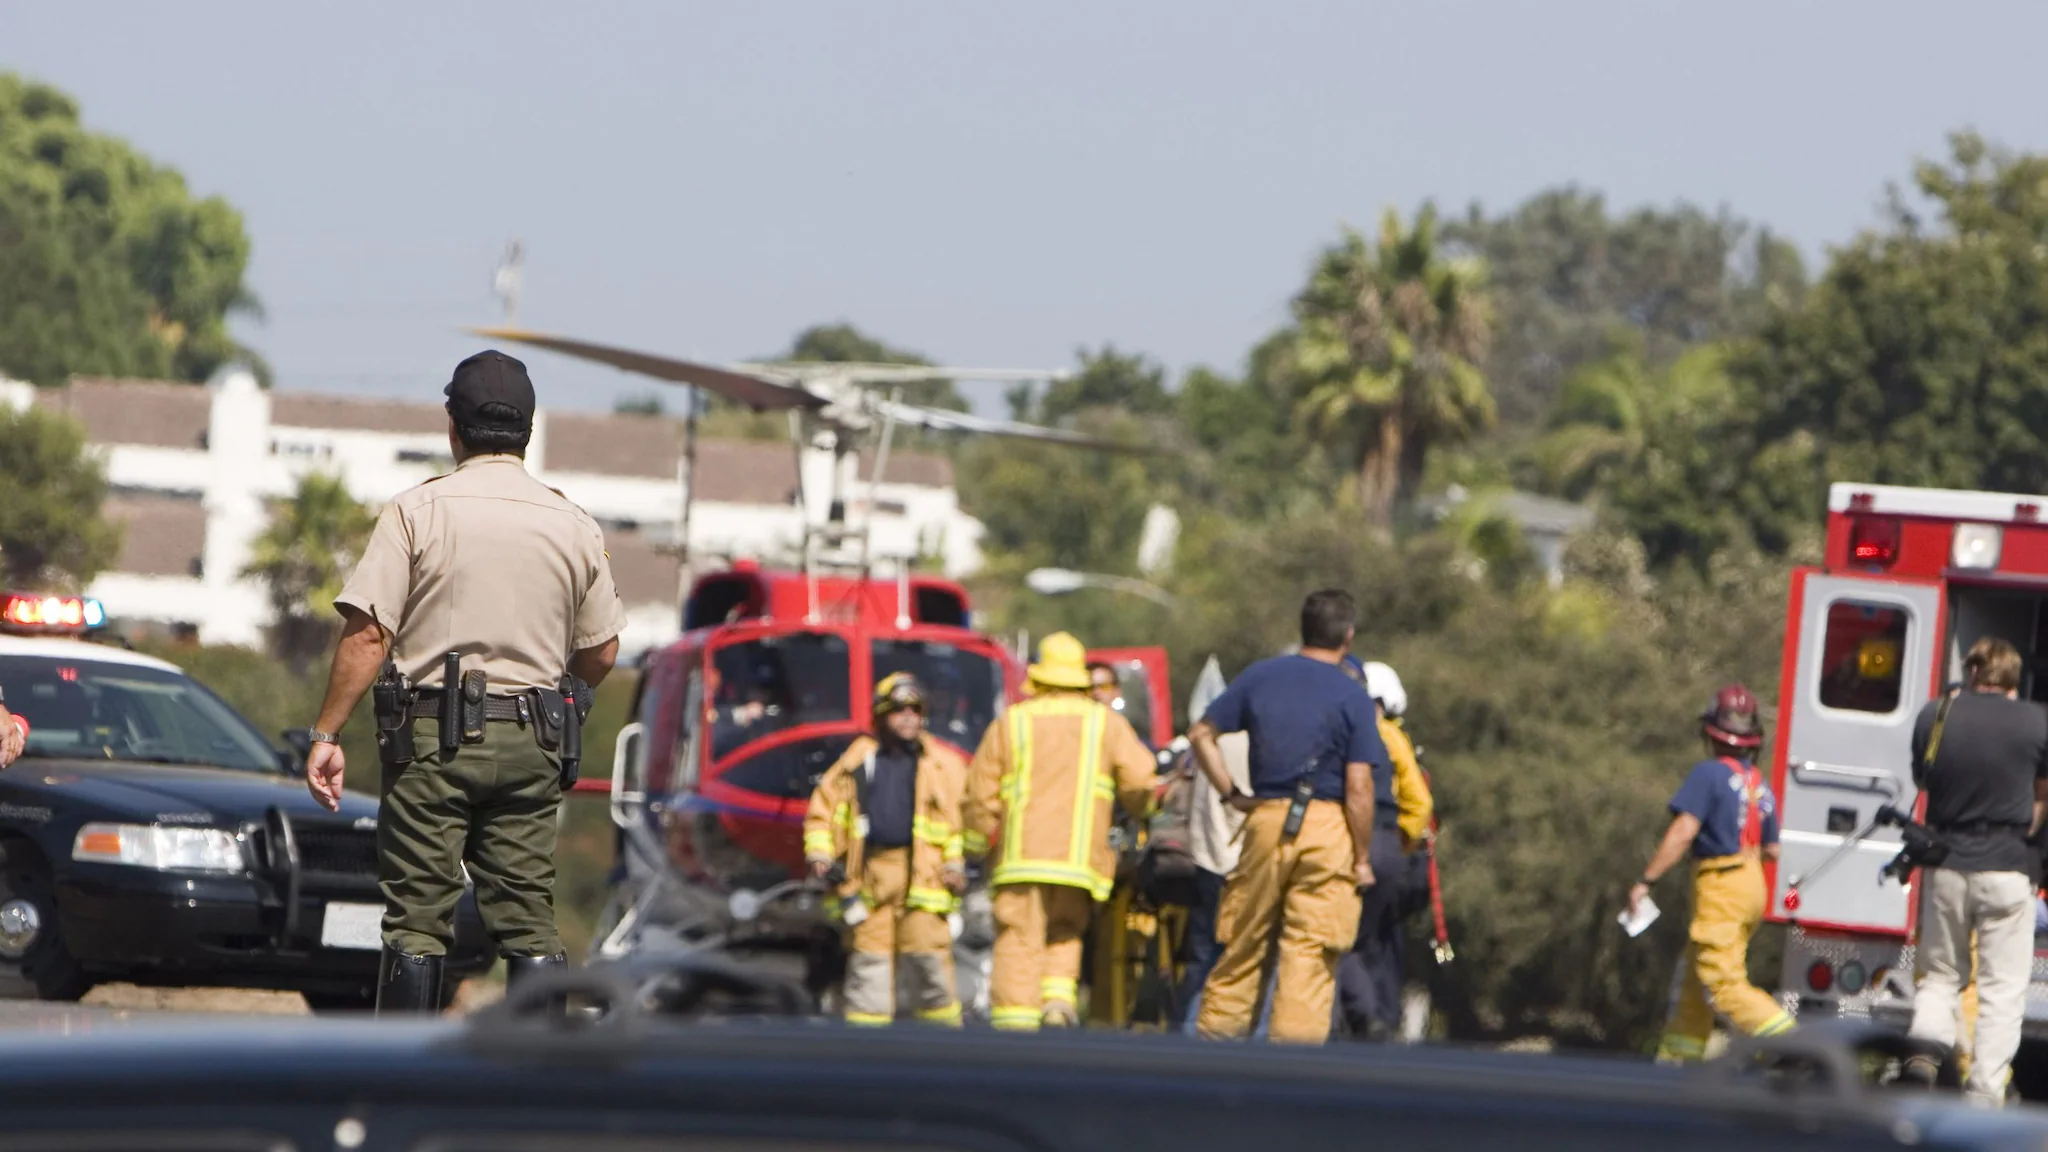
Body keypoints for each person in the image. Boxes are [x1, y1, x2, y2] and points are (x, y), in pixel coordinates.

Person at [304, 350, 625, 1015]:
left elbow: (368, 636)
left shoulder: (417, 511)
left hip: (433, 741)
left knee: (419, 917)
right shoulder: (573, 522)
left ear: (453, 426)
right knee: (528, 917)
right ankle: (530, 1083)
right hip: (535, 739)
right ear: (528, 433)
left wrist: (326, 732)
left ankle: (405, 1077)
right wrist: (565, 698)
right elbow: (603, 650)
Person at [1188, 590, 1386, 1045]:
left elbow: (1200, 733)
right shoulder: (1353, 697)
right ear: (1348, 637)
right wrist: (1360, 857)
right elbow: (1359, 786)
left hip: (1265, 820)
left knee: (1242, 947)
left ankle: (1212, 1057)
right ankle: (1291, 1073)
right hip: (1328, 827)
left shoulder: (1260, 676)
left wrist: (1233, 794)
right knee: (1309, 956)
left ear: (1304, 627)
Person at [964, 632, 1156, 1031]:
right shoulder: (1106, 723)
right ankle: (1056, 1006)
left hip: (1021, 860)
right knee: (1065, 933)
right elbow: (1140, 781)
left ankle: (1016, 1028)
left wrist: (976, 844)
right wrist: (1142, 812)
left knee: (1019, 939)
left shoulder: (1012, 723)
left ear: (1038, 679)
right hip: (1080, 863)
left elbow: (979, 795)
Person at [1900, 638, 2048, 1103]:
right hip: (2006, 868)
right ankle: (1983, 1093)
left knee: (1941, 976)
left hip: (1946, 864)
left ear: (1972, 673)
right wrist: (2025, 825)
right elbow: (2042, 794)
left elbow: (1922, 778)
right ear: (2011, 679)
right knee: (2001, 991)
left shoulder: (1935, 715)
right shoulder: (2036, 721)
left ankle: (1924, 1053)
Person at [1629, 683, 1793, 1061]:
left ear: (1711, 732)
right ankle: (1676, 1064)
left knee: (1723, 985)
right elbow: (1772, 849)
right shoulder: (1758, 784)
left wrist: (1645, 881)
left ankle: (1795, 1046)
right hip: (1751, 882)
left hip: (1721, 884)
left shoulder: (1708, 774)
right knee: (1694, 979)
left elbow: (1684, 831)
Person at [803, 672, 969, 1027]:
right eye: (899, 709)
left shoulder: (945, 765)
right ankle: (867, 1056)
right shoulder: (856, 761)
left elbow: (960, 827)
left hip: (925, 879)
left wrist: (956, 865)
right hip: (870, 880)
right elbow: (822, 812)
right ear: (880, 715)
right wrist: (820, 856)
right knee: (869, 971)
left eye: (916, 709)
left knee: (930, 970)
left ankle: (944, 1052)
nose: (909, 716)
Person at [1335, 658, 1433, 1041]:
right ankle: (1380, 1024)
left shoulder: (1350, 733)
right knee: (1380, 944)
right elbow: (1420, 805)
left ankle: (1361, 1020)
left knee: (1343, 939)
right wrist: (1400, 843)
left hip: (1354, 844)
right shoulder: (1393, 737)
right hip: (1391, 850)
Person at [1175, 725, 1250, 1032]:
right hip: (1243, 863)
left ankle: (1186, 1033)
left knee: (1204, 954)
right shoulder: (1256, 742)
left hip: (1208, 858)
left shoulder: (1209, 745)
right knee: (1239, 958)